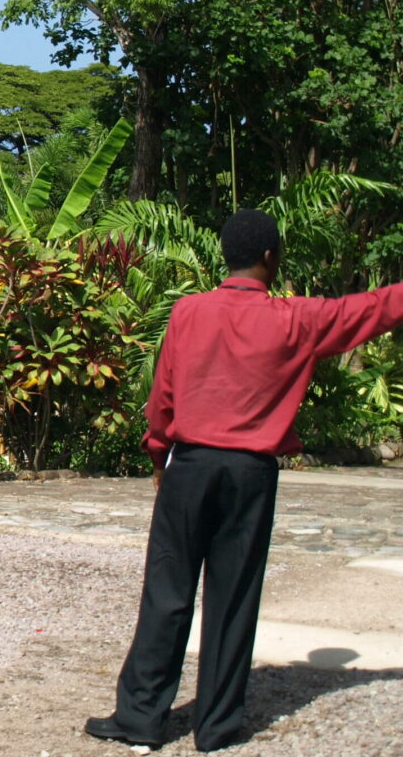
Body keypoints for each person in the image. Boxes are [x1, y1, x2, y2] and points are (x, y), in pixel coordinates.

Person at [86, 209, 403, 752]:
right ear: (270, 259)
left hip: (189, 465)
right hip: (251, 473)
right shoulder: (294, 319)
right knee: (234, 597)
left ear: (226, 257)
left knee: (167, 591)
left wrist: (160, 455)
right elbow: (371, 309)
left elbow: (162, 395)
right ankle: (217, 727)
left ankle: (140, 717)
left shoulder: (188, 313)